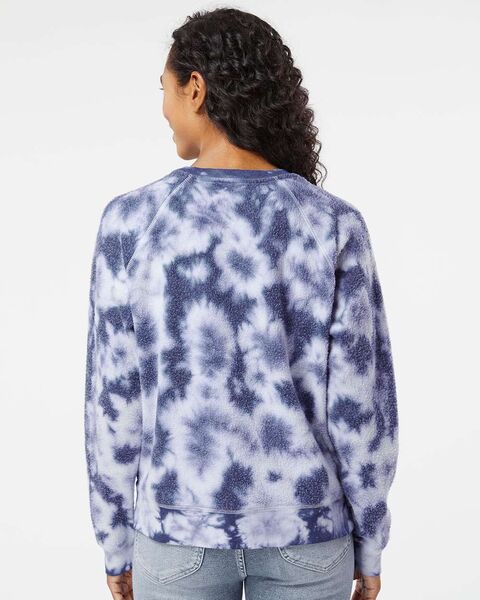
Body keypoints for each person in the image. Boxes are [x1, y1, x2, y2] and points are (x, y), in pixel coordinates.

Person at [83, 7, 399, 600]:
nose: (163, 107)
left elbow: (113, 403)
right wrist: (371, 541)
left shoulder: (132, 222)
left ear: (195, 89)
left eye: (164, 89)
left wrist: (115, 541)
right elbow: (361, 407)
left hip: (175, 535)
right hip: (309, 534)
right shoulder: (331, 224)